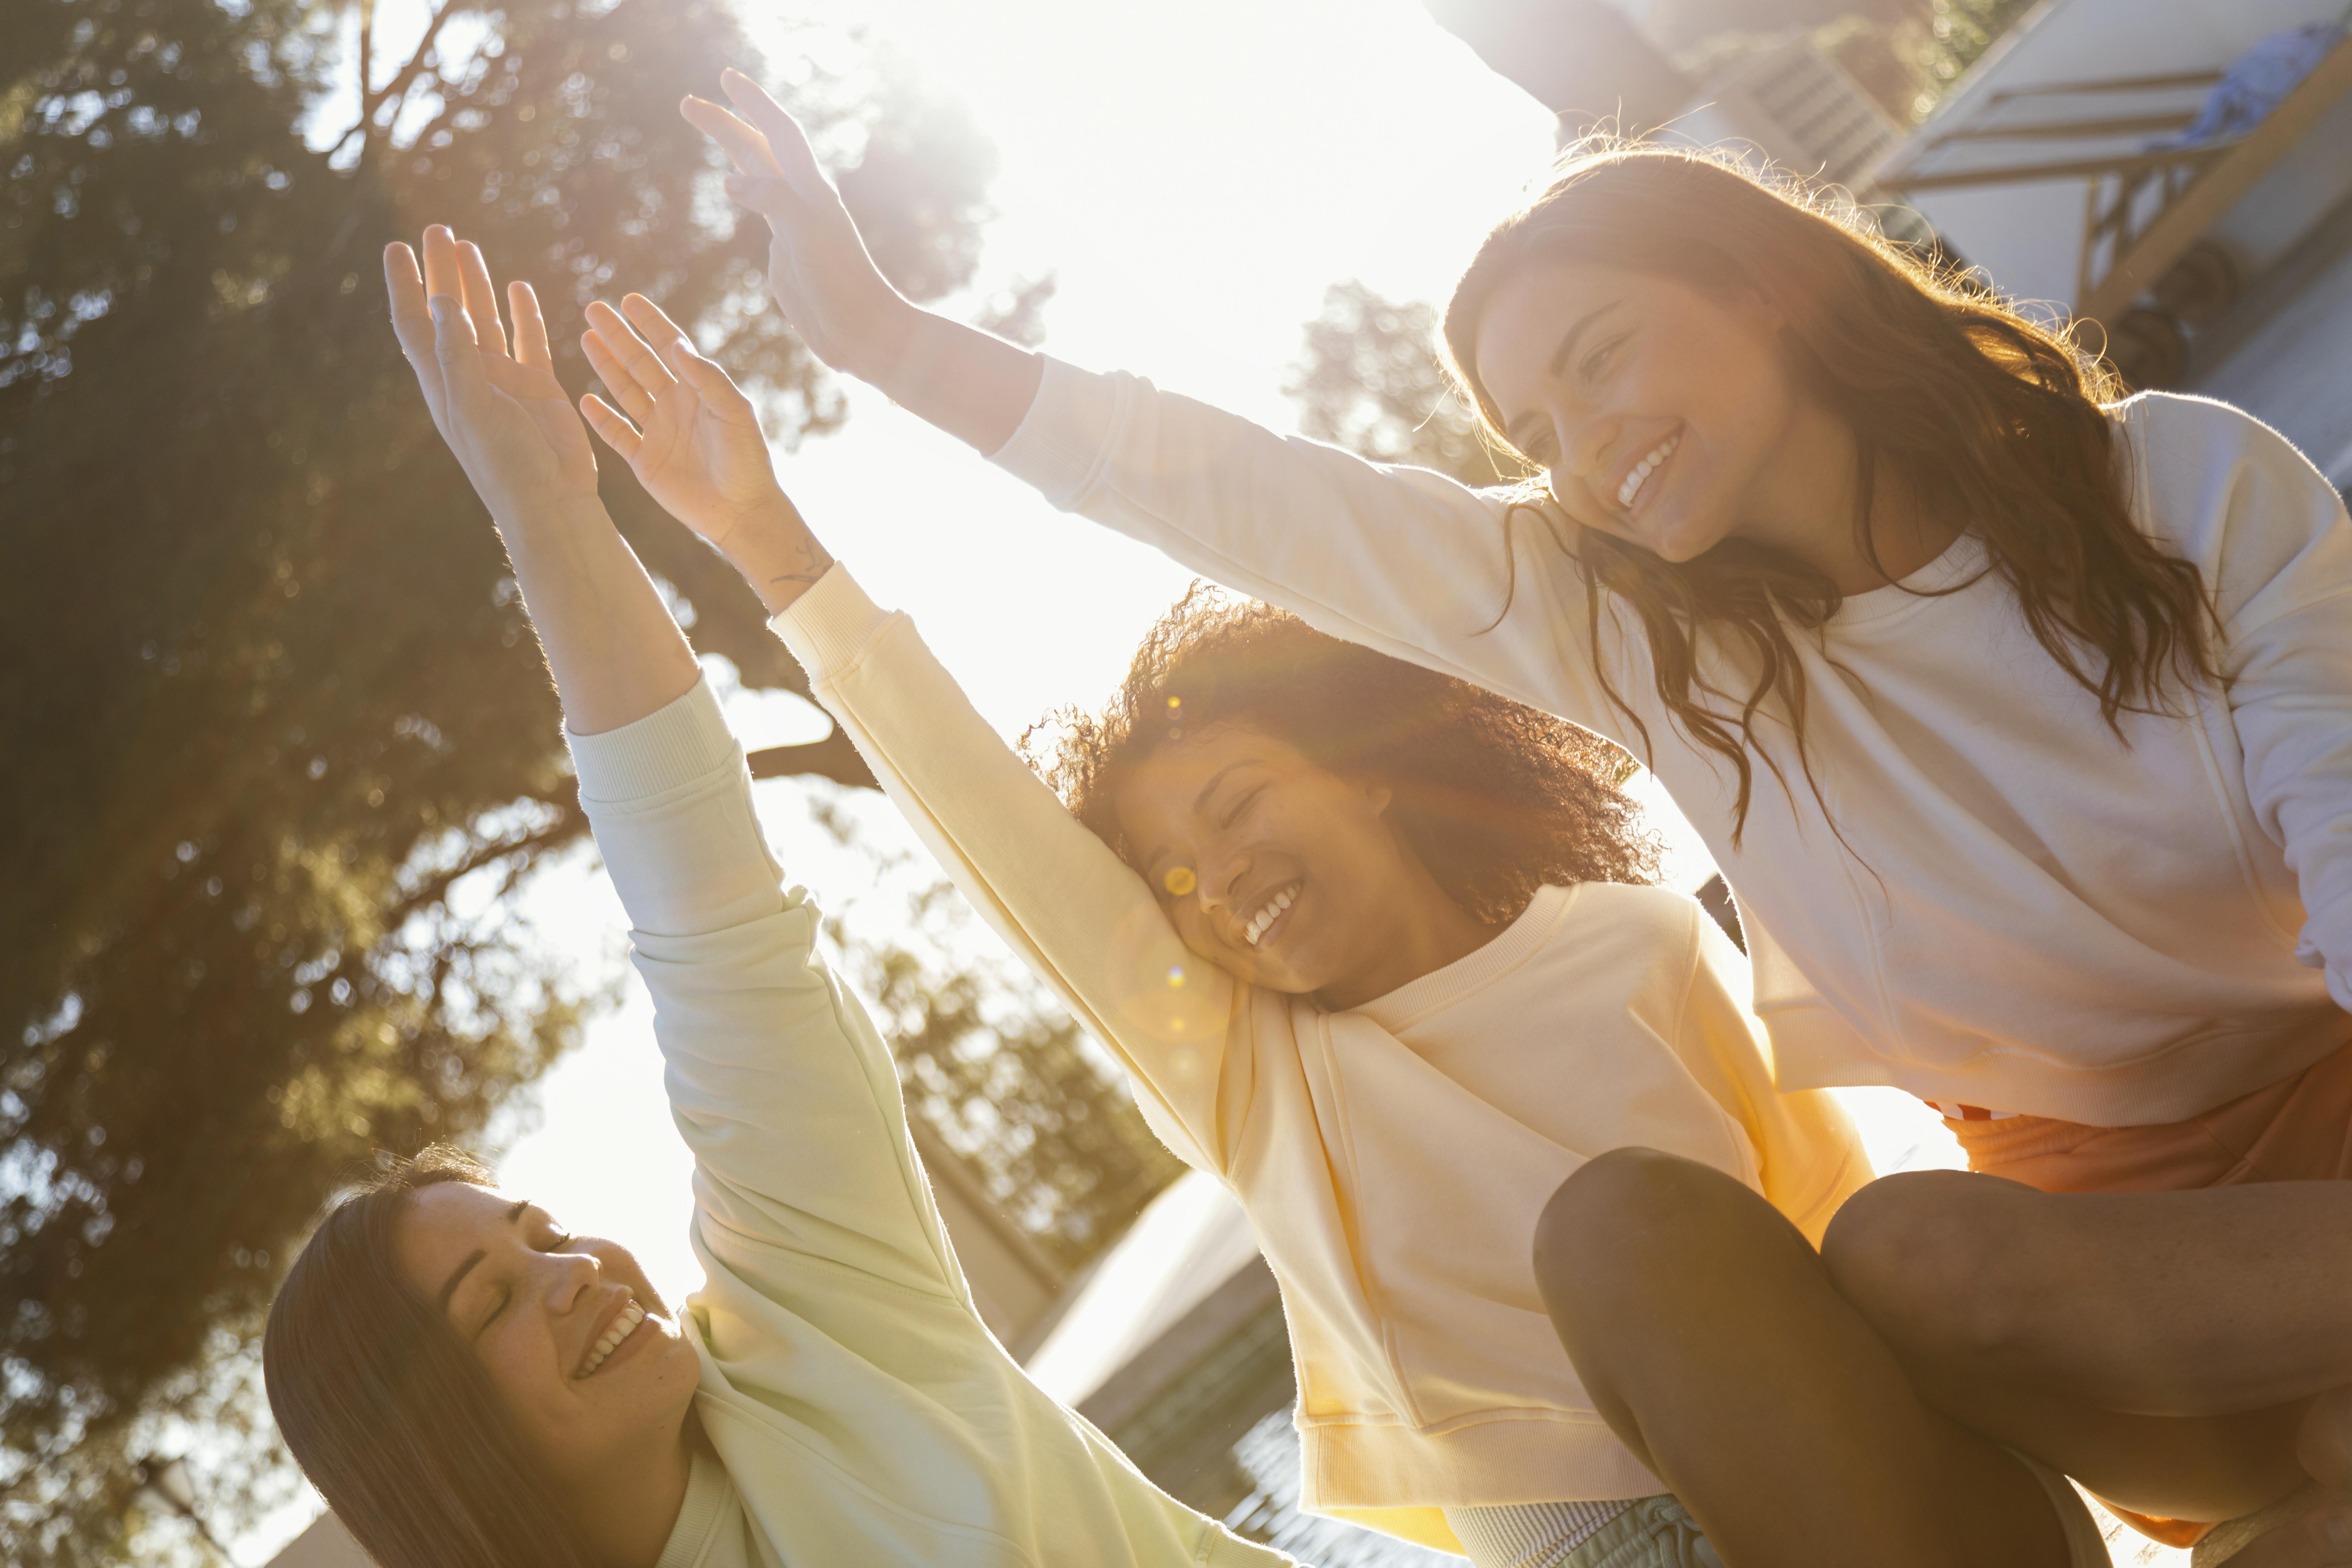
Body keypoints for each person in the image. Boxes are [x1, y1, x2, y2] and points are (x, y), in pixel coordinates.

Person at [679, 67, 2352, 1567]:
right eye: (1533, 431)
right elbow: (1265, 501)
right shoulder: (1654, 648)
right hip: (2124, 1309)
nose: (1583, 448)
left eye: (1597, 355)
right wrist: (889, 359)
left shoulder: (2177, 496)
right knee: (1909, 1253)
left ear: (1763, 282)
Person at [575, 277, 2111, 1568]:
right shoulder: (1257, 1079)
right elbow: (1002, 841)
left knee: (1676, 1234)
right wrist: (773, 549)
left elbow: (1838, 1239)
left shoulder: (1635, 942)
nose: (1213, 878)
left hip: (1889, 1497)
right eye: (1172, 878)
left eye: (1236, 804)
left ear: (1368, 781)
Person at [259, 225, 1299, 1568]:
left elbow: (710, 919)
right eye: (493, 1301)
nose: (577, 1272)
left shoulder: (815, 1325)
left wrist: (547, 512)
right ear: (439, 1448)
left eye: (547, 1234)